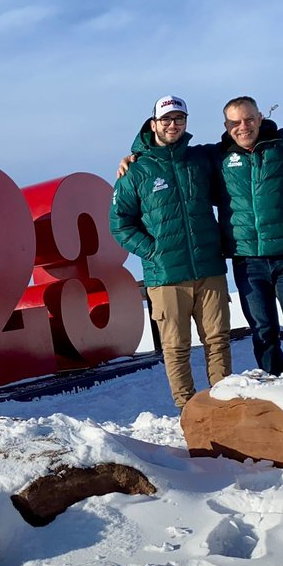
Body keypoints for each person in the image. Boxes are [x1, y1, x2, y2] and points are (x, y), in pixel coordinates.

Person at [110, 95, 231, 410]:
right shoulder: (136, 172)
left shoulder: (200, 160)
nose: (173, 125)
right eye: (166, 119)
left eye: (179, 119)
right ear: (153, 124)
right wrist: (153, 251)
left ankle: (225, 406)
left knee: (218, 341)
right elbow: (119, 224)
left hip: (209, 268)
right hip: (166, 276)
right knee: (176, 348)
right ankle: (188, 411)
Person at [216, 96, 283, 375]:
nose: (244, 127)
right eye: (235, 122)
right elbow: (175, 159)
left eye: (250, 119)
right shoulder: (218, 157)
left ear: (260, 118)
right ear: (227, 126)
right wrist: (135, 156)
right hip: (248, 261)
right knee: (263, 332)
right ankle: (277, 389)